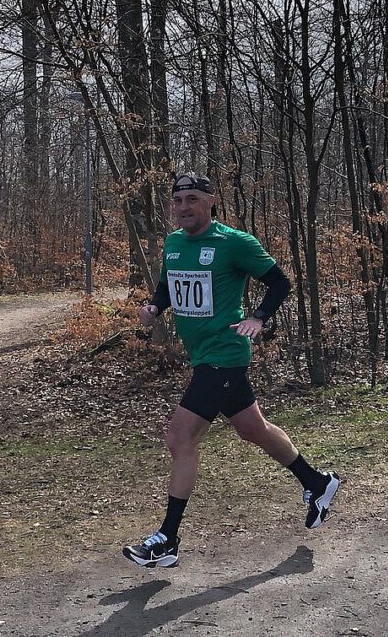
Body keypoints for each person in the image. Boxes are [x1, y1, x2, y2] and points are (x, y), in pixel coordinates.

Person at [123, 172, 340, 569]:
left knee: (179, 435)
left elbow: (279, 283)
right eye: (177, 201)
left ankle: (167, 539)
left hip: (225, 352)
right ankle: (317, 482)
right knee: (253, 429)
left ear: (210, 202)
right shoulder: (173, 243)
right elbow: (168, 285)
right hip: (202, 352)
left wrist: (258, 317)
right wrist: (154, 307)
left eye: (192, 199)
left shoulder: (233, 242)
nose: (184, 207)